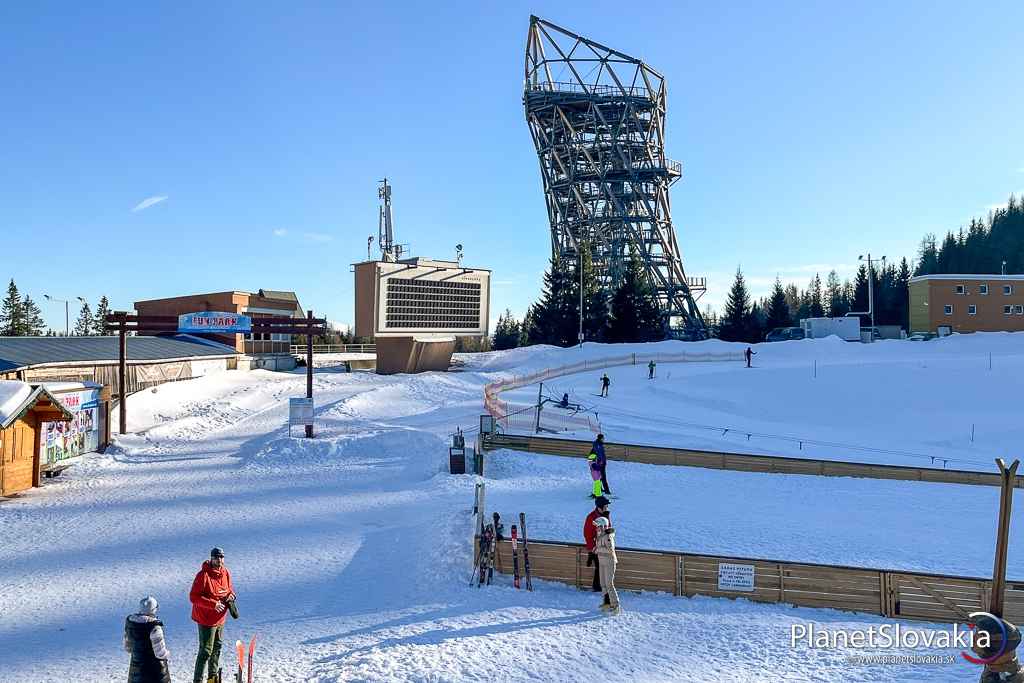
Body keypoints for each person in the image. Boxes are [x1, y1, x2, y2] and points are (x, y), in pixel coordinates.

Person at [190, 547, 236, 683]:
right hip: (206, 620)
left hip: (220, 618)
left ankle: (212, 679)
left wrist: (231, 596)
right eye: (216, 557)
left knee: (217, 648)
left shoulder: (225, 572)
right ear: (211, 558)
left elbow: (229, 590)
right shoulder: (203, 575)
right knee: (205, 651)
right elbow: (193, 597)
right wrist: (213, 604)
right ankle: (197, 680)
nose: (219, 560)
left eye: (221, 557)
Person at [124, 596, 171, 683]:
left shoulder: (131, 625)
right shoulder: (155, 627)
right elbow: (160, 653)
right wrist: (167, 654)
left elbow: (128, 648)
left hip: (136, 669)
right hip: (155, 672)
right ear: (153, 609)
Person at [583, 496, 611, 597]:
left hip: (605, 546)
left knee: (604, 566)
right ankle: (597, 587)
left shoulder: (605, 515)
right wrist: (592, 549)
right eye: (605, 506)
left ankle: (601, 586)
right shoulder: (591, 517)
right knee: (600, 567)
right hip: (596, 548)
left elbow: (608, 530)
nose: (607, 507)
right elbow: (587, 534)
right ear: (599, 507)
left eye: (607, 506)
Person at [593, 516, 620, 614]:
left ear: (603, 526)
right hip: (602, 561)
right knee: (603, 584)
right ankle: (607, 603)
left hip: (609, 561)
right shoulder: (599, 535)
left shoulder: (608, 537)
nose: (596, 528)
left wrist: (597, 549)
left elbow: (610, 550)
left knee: (609, 584)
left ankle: (616, 605)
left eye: (598, 526)